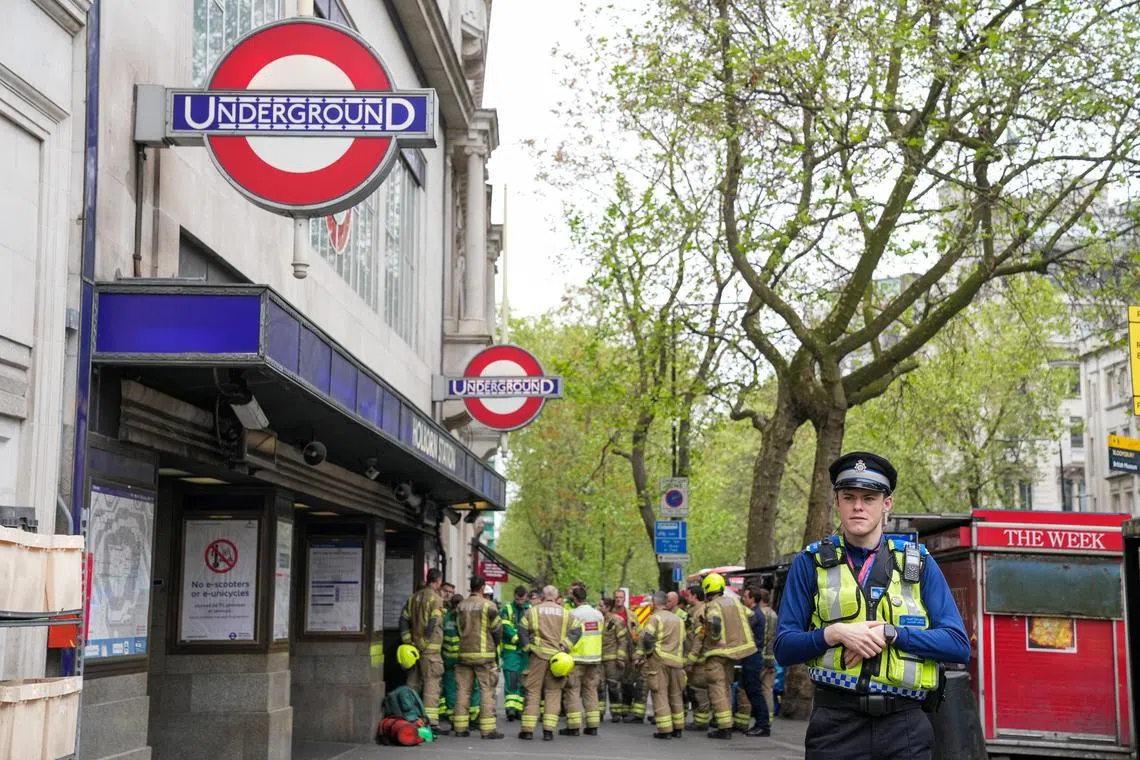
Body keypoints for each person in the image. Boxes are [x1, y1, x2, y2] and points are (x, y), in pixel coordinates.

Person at [774, 451, 971, 760]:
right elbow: (784, 648)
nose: (858, 506)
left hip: (904, 726)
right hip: (835, 727)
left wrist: (891, 633)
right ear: (836, 501)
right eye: (849, 497)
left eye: (869, 498)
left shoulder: (918, 564)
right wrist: (835, 633)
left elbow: (959, 646)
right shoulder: (809, 563)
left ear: (886, 504)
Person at [689, 572, 756, 739]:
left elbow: (715, 622)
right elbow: (753, 617)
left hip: (717, 653)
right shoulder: (735, 602)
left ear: (707, 589)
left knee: (717, 689)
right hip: (736, 652)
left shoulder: (712, 605)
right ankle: (728, 723)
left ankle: (724, 727)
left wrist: (716, 639)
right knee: (726, 686)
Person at [518, 585, 583, 741]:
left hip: (537, 657)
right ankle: (548, 731)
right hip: (557, 659)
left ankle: (527, 731)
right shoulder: (566, 613)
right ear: (556, 596)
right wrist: (565, 646)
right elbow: (577, 630)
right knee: (553, 693)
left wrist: (528, 647)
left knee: (533, 692)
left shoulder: (532, 611)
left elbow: (522, 630)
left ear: (542, 595)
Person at [454, 576, 504, 739]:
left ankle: (460, 728)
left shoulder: (461, 606)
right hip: (484, 655)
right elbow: (497, 629)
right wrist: (495, 645)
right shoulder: (489, 606)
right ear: (482, 588)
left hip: (464, 654)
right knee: (486, 690)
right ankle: (488, 730)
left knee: (463, 690)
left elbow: (458, 628)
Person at [399, 567, 445, 731]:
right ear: (438, 581)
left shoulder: (413, 597)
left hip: (412, 649)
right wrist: (425, 641)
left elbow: (403, 620)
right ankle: (431, 722)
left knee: (412, 683)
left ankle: (409, 717)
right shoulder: (436, 599)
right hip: (430, 651)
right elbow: (433, 622)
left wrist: (407, 640)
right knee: (432, 684)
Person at [638, 591, 686, 740]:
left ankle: (665, 730)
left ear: (654, 603)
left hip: (659, 661)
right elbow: (683, 640)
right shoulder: (679, 620)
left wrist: (648, 653)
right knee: (676, 695)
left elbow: (647, 639)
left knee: (660, 694)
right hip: (677, 662)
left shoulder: (655, 618)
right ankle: (678, 728)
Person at [562, 585, 605, 736]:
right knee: (591, 690)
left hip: (577, 658)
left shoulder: (572, 614)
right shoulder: (598, 615)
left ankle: (573, 727)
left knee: (573, 690)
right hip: (594, 659)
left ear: (574, 598)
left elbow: (569, 636)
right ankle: (592, 725)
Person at [736, 584, 770, 736]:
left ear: (752, 599)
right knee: (751, 691)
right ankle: (760, 723)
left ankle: (763, 725)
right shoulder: (756, 613)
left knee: (755, 692)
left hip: (753, 657)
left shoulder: (754, 615)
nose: (743, 599)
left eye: (745, 597)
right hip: (751, 657)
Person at [441, 592, 478, 726]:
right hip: (463, 658)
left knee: (451, 687)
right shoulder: (466, 617)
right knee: (470, 686)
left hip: (448, 658)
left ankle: (452, 715)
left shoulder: (445, 618)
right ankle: (472, 715)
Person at [680, 585, 711, 731]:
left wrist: (691, 659)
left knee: (699, 690)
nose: (686, 598)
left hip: (699, 660)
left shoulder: (700, 613)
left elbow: (699, 638)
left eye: (688, 595)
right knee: (696, 689)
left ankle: (701, 722)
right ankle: (701, 720)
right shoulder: (696, 611)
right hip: (697, 658)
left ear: (694, 596)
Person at [500, 585, 529, 721]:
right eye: (518, 599)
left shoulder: (530, 610)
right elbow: (505, 626)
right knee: (512, 679)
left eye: (522, 599)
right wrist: (518, 638)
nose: (520, 602)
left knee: (523, 680)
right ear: (514, 596)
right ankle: (510, 709)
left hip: (524, 652)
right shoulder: (507, 609)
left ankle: (519, 708)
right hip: (511, 651)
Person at [598, 597, 628, 722]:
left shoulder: (617, 621)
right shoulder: (598, 620)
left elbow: (622, 640)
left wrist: (620, 658)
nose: (598, 608)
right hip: (599, 659)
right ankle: (599, 712)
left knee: (613, 686)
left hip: (612, 659)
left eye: (601, 606)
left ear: (608, 607)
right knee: (599, 686)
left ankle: (616, 712)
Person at [756, 588, 779, 723]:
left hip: (761, 657)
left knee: (753, 688)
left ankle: (760, 716)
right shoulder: (774, 614)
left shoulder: (761, 614)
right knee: (767, 689)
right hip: (772, 658)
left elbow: (765, 638)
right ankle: (769, 717)